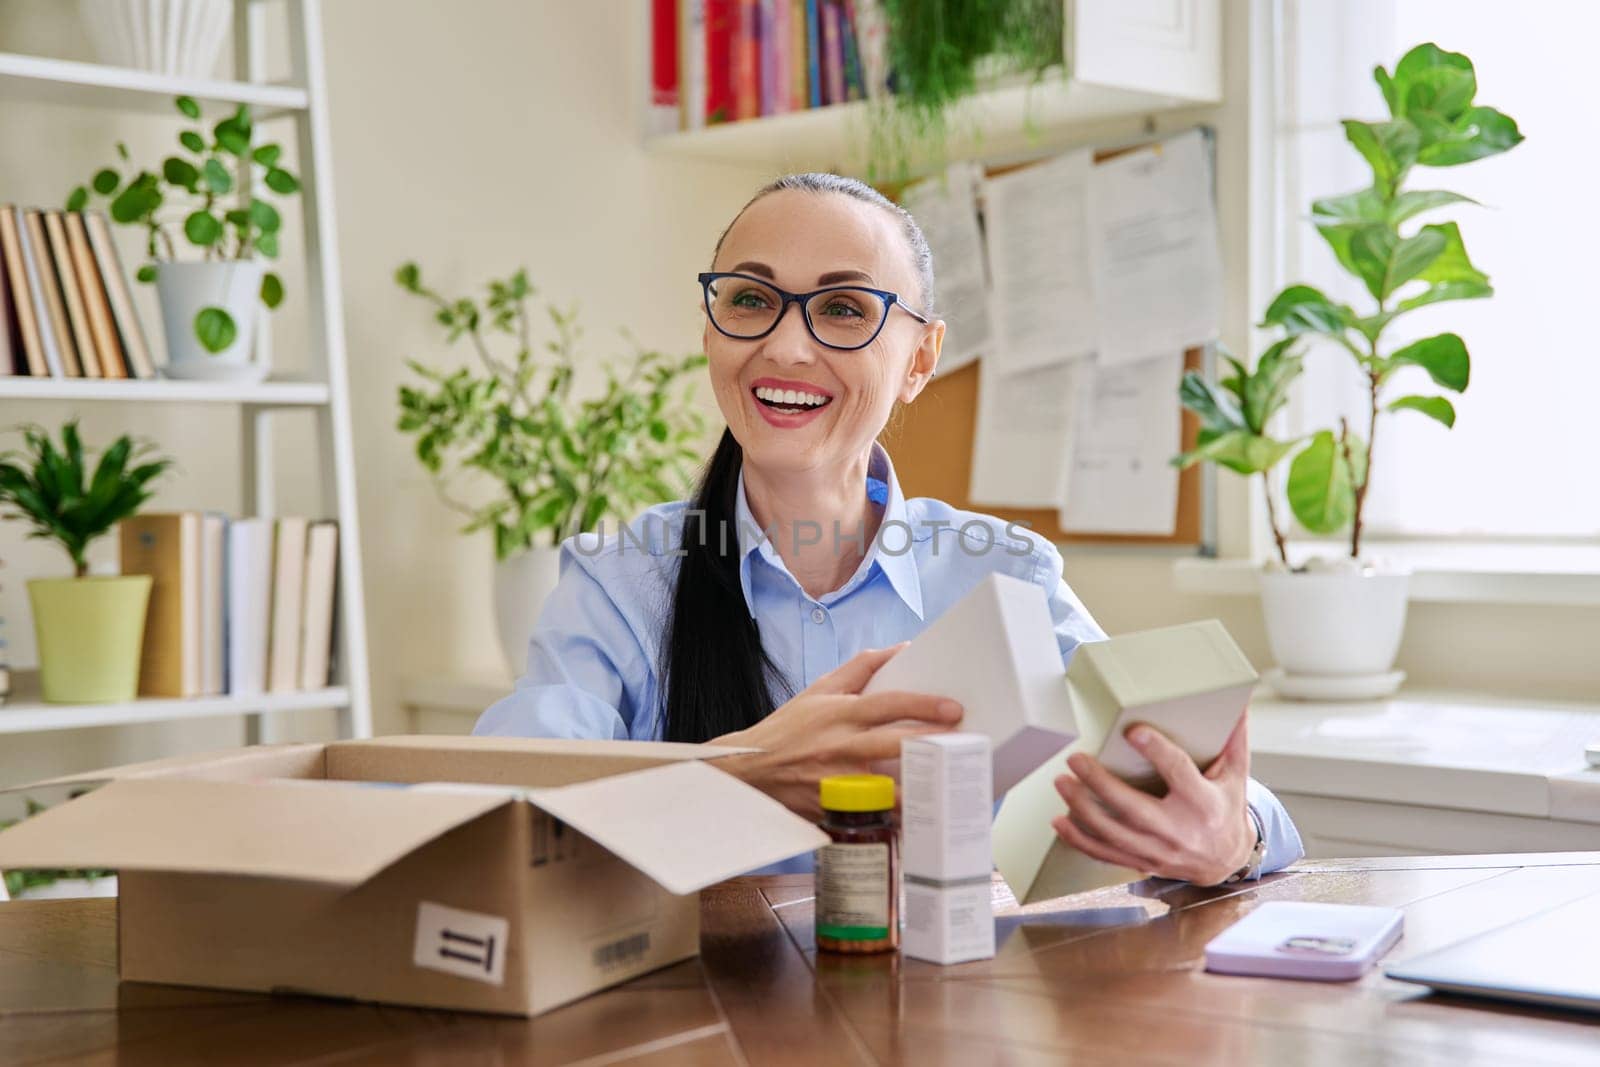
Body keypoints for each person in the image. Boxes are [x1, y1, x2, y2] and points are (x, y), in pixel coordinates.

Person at [475, 173, 1303, 886]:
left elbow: (1180, 779)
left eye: (842, 309)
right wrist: (747, 771)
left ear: (919, 360)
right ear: (710, 328)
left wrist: (1233, 836)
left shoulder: (1004, 574)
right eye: (751, 299)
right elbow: (498, 808)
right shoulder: (622, 582)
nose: (786, 345)